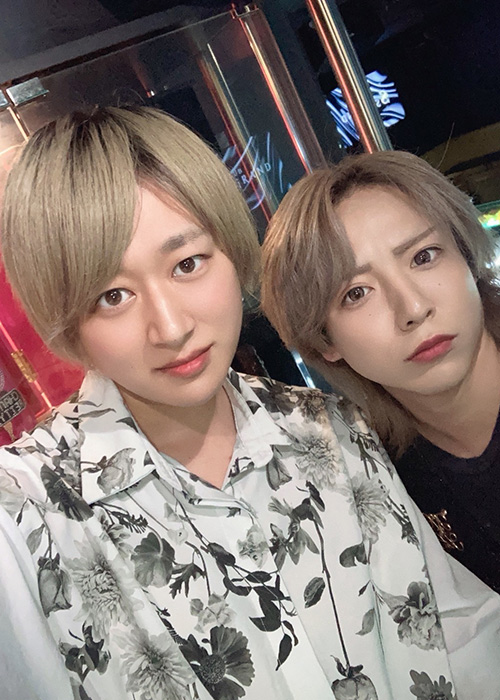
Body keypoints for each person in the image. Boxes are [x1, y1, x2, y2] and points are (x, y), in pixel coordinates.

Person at [0, 110, 498, 700]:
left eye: (188, 264)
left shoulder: (330, 428)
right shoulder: (24, 517)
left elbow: (460, 632)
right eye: (113, 295)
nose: (171, 327)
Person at [261, 149, 500, 597]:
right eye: (356, 293)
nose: (413, 308)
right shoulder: (370, 473)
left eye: (424, 256)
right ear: (324, 341)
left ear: (467, 257)